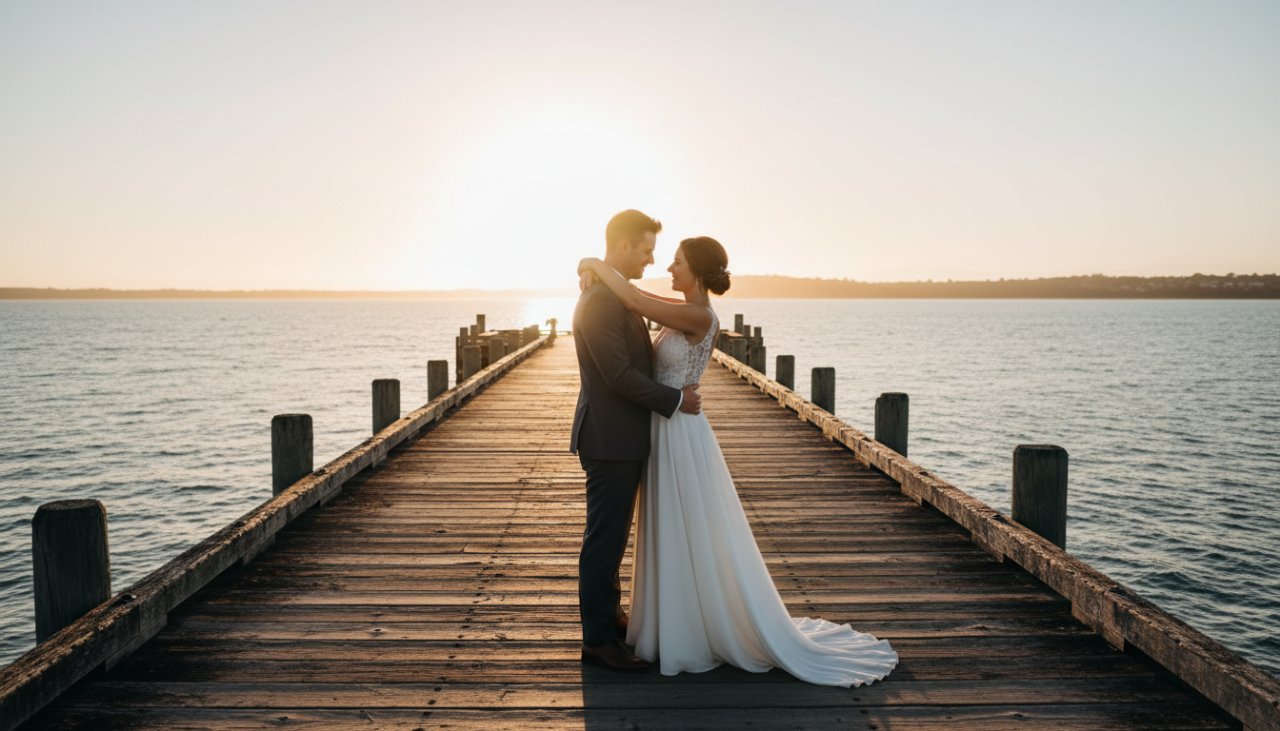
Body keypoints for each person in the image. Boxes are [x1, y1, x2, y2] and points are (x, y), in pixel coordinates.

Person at [575, 236, 898, 686]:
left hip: (679, 430)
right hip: (661, 427)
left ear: (699, 272)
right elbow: (633, 304)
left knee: (683, 524)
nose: (667, 265)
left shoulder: (698, 315)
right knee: (663, 526)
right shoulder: (677, 307)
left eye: (678, 261)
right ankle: (657, 620)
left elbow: (630, 296)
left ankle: (683, 623)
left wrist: (590, 261)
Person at [570, 209, 703, 672]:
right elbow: (619, 375)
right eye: (646, 249)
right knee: (604, 540)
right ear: (623, 245)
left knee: (613, 536)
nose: (651, 259)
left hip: (622, 437)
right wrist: (674, 400)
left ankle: (611, 619)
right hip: (609, 439)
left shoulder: (612, 294)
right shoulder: (602, 302)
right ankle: (598, 642)